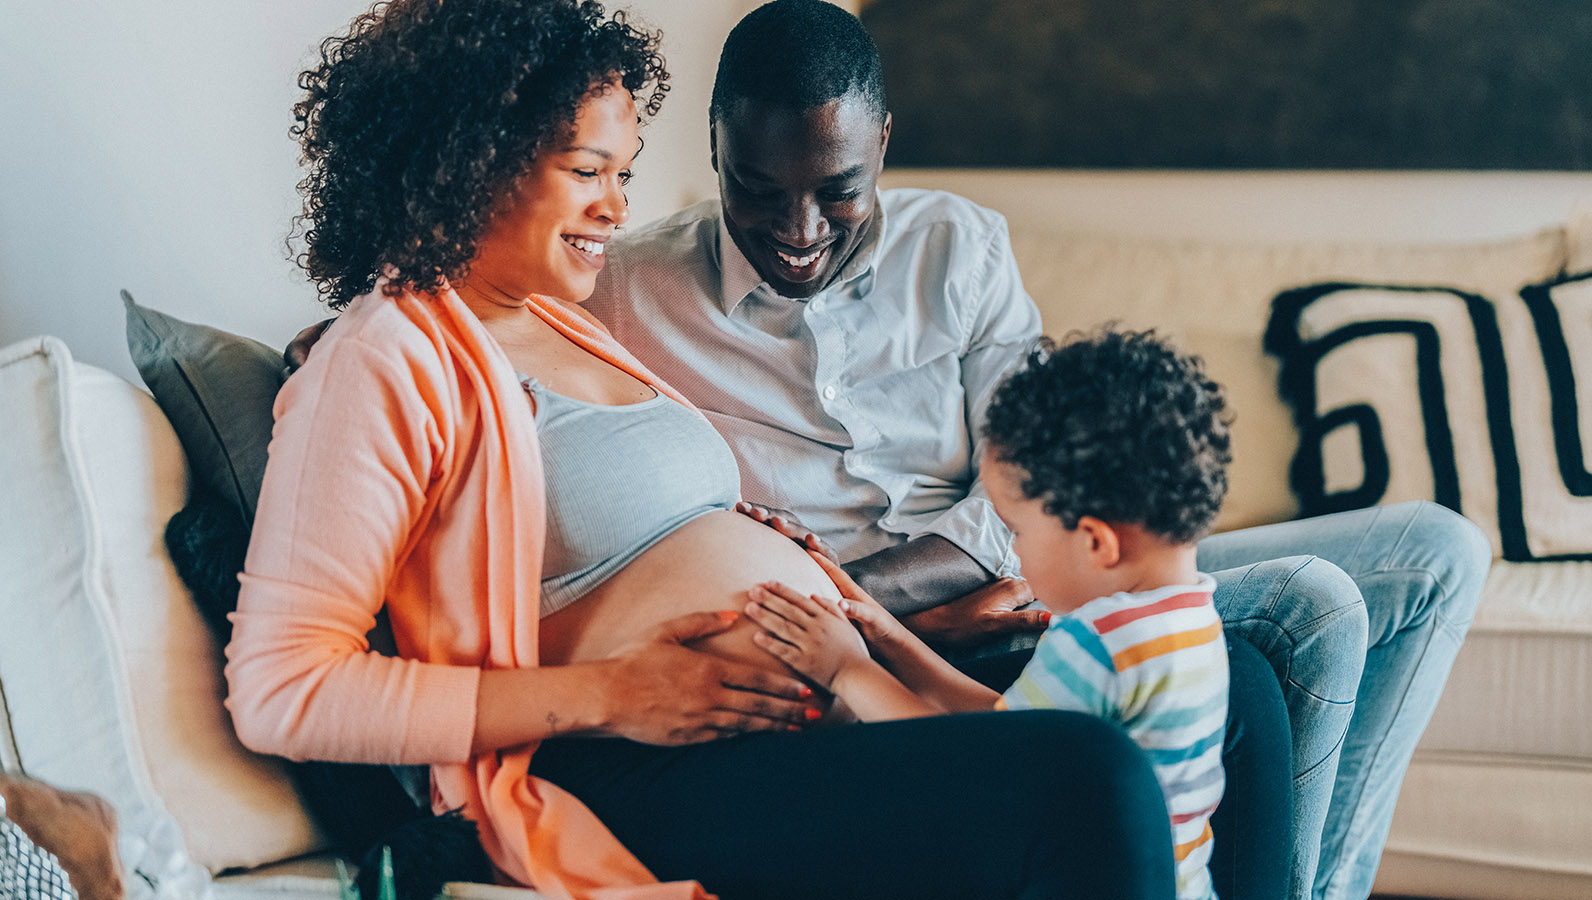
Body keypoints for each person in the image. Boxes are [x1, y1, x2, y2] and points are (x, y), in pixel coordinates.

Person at [233, 1, 1176, 897]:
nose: (615, 208)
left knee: (1230, 691)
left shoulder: (568, 325)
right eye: (588, 171)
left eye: (624, 175)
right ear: (476, 163)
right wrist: (611, 696)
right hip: (628, 757)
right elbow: (284, 691)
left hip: (825, 696)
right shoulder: (383, 355)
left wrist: (862, 621)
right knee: (1087, 775)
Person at [580, 3, 1493, 898]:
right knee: (1308, 610)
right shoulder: (626, 288)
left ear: (885, 142)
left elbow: (1027, 490)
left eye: (837, 191)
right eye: (759, 191)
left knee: (1439, 553)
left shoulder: (962, 249)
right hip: (933, 619)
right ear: (714, 149)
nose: (801, 230)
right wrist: (893, 617)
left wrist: (894, 593)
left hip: (1045, 569)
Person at [742, 328, 1287, 900]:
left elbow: (972, 764)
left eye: (1019, 529)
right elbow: (1006, 723)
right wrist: (888, 634)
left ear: (1097, 542)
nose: (1015, 551)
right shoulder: (1187, 618)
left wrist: (847, 670)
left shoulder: (1100, 642)